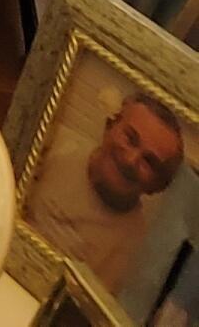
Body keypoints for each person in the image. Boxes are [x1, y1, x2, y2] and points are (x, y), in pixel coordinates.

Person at [26, 89, 186, 299]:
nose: (130, 160)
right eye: (130, 138)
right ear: (110, 126)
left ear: (156, 186)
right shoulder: (53, 144)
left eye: (149, 161)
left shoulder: (134, 252)